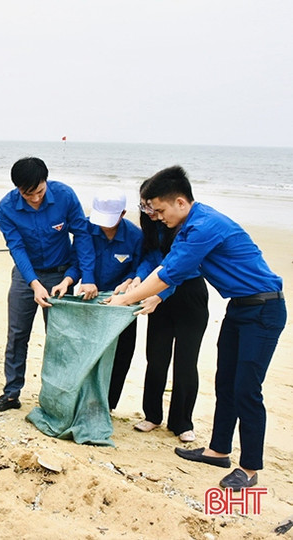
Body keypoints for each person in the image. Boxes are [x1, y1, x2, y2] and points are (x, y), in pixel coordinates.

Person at [108, 165, 286, 491]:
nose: (157, 217)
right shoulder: (189, 226)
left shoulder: (204, 226)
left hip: (264, 310)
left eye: (160, 210)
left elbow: (170, 273)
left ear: (180, 201)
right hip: (239, 308)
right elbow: (163, 266)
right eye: (151, 211)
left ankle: (248, 470)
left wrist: (124, 301)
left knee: (247, 389)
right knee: (225, 383)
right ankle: (218, 450)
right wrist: (135, 289)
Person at [0, 157, 97, 412]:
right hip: (26, 276)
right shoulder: (7, 207)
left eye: (39, 191)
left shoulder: (65, 196)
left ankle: (58, 398)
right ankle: (11, 393)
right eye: (28, 194)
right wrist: (34, 283)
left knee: (60, 339)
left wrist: (87, 277)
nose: (35, 198)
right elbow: (16, 247)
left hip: (60, 276)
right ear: (18, 189)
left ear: (46, 182)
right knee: (16, 335)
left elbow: (81, 236)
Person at [131, 181, 208, 443]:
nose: (151, 212)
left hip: (189, 293)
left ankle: (182, 422)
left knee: (186, 362)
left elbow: (182, 268)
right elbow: (151, 258)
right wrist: (139, 279)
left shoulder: (188, 225)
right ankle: (152, 415)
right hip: (157, 292)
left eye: (153, 207)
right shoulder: (152, 223)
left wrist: (159, 294)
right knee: (156, 357)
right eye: (145, 207)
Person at [57, 187, 141, 410]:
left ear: (123, 213)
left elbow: (139, 268)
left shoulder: (135, 236)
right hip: (89, 300)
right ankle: (80, 398)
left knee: (121, 354)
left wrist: (131, 280)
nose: (103, 225)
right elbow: (77, 264)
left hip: (121, 305)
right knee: (84, 350)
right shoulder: (85, 228)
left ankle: (108, 405)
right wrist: (68, 281)